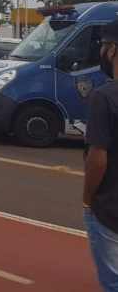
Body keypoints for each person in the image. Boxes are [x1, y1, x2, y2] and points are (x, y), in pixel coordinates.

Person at [84, 20, 118, 290]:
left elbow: (98, 158)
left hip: (110, 210)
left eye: (102, 46)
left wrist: (87, 199)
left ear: (113, 49)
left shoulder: (104, 97)